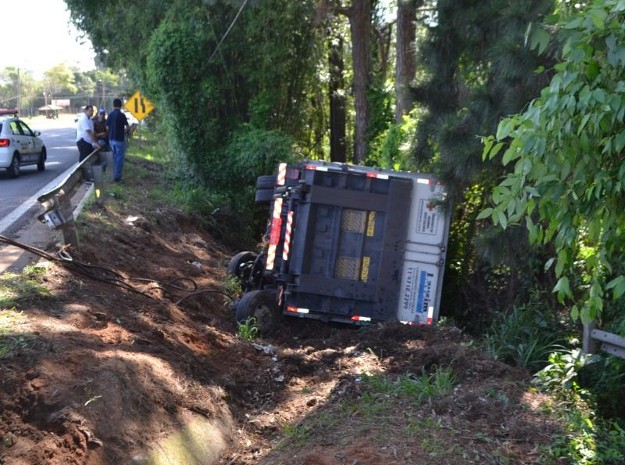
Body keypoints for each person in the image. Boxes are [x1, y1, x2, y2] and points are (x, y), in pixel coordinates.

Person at [106, 98, 129, 182]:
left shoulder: (110, 114)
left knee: (115, 157)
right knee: (120, 158)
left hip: (111, 139)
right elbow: (127, 127)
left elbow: (107, 127)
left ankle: (113, 174)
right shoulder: (122, 115)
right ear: (121, 105)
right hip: (119, 139)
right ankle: (117, 176)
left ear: (113, 105)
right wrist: (125, 132)